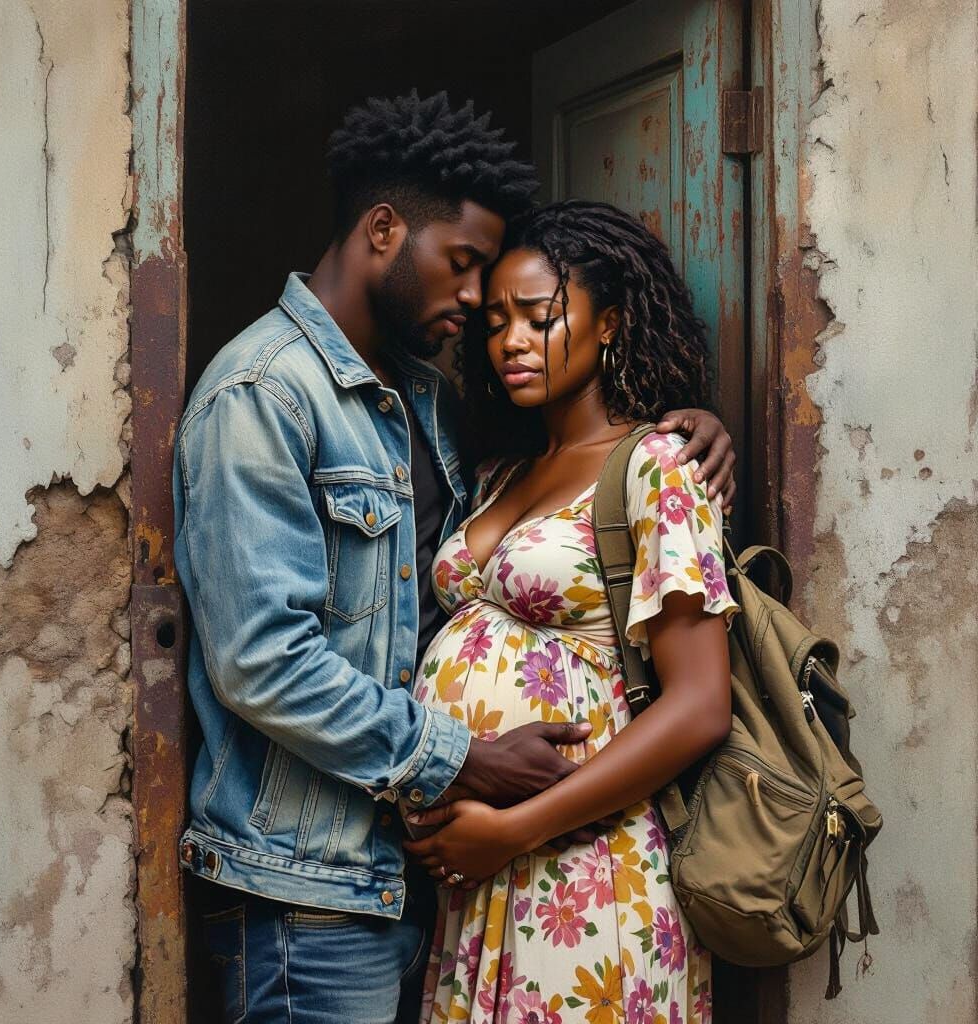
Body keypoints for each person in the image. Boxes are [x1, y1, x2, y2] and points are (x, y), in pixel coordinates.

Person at [174, 91, 737, 1024]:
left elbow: (687, 684)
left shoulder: (426, 405)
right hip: (314, 885)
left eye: (531, 311)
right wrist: (461, 760)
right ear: (385, 230)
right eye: (471, 273)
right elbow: (261, 659)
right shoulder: (264, 394)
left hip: (478, 877)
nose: (486, 315)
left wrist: (686, 426)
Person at [404, 200, 738, 1024]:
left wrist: (515, 832)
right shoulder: (496, 472)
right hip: (476, 876)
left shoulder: (661, 466)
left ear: (611, 322)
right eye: (494, 323)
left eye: (539, 317)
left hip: (584, 868)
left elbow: (700, 707)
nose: (511, 341)